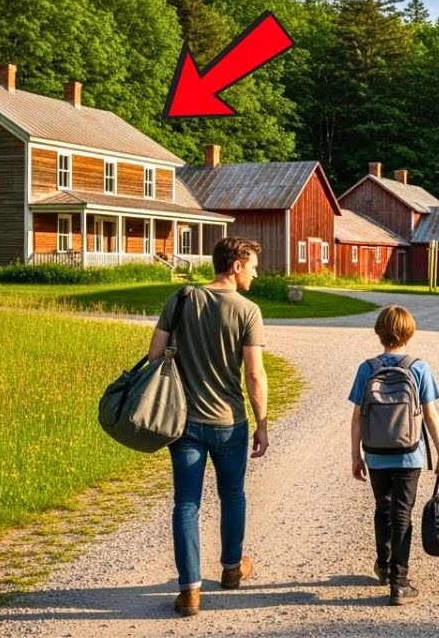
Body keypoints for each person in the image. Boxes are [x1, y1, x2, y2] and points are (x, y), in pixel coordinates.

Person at [148, 236, 268, 617]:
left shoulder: (181, 299)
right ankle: (232, 569)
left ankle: (190, 591)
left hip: (183, 421)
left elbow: (154, 357)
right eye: (251, 265)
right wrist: (262, 422)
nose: (255, 272)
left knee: (186, 502)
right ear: (235, 266)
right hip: (229, 423)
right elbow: (253, 373)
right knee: (232, 494)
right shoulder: (248, 311)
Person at [349, 305, 439, 606]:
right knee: (402, 513)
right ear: (409, 333)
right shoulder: (419, 367)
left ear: (379, 332)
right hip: (409, 455)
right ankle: (399, 583)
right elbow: (430, 415)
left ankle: (383, 565)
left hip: (376, 454)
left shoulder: (367, 368)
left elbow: (356, 417)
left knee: (383, 507)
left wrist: (356, 455)